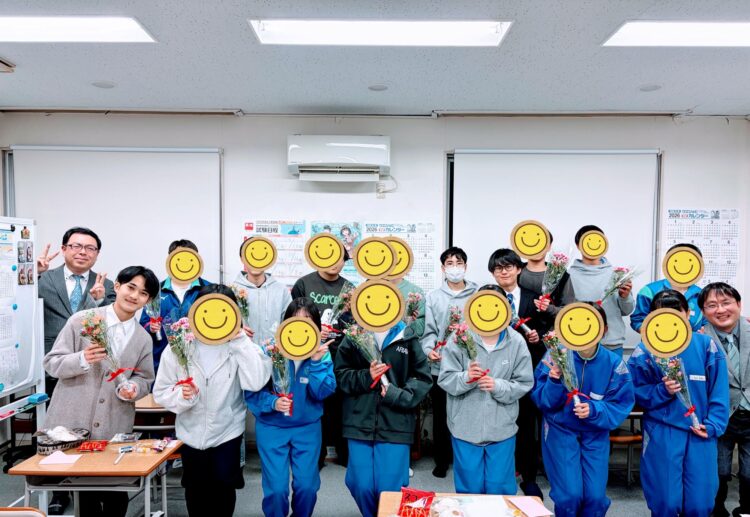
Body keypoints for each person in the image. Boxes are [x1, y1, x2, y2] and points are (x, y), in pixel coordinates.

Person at [43, 266, 159, 517]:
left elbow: (145, 378)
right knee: (85, 495)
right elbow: (52, 363)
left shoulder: (143, 338)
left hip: (114, 425)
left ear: (148, 300)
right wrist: (81, 359)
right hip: (74, 423)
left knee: (116, 492)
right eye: (130, 287)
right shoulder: (82, 320)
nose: (134, 296)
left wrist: (134, 388)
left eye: (143, 293)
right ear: (116, 286)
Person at [153, 284, 272, 517]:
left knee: (224, 489)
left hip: (227, 431)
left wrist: (240, 340)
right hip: (190, 432)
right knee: (195, 491)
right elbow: (161, 390)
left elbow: (256, 381)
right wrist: (182, 396)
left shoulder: (241, 346)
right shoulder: (179, 345)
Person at [628, 289, 729, 516]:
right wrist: (661, 391)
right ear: (651, 317)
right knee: (665, 500)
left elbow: (719, 391)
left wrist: (713, 425)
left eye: (676, 311)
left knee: (700, 503)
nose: (670, 317)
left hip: (700, 431)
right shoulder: (644, 350)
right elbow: (634, 391)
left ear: (688, 313)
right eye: (662, 313)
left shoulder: (706, 345)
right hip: (662, 430)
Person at [36, 226, 115, 514]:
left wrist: (99, 301)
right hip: (53, 363)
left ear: (97, 254)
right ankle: (59, 489)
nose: (83, 252)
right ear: (64, 249)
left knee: (85, 428)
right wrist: (32, 276)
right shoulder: (43, 278)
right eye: (76, 246)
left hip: (91, 367)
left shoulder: (107, 285)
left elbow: (112, 323)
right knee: (56, 430)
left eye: (90, 248)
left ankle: (88, 483)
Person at [532, 303, 634, 515]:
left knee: (595, 497)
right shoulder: (555, 356)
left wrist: (595, 410)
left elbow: (621, 403)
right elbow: (542, 401)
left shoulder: (614, 363)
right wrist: (554, 380)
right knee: (569, 495)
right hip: (561, 431)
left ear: (604, 329)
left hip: (595, 434)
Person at [335, 311, 432, 517]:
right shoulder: (354, 334)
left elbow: (422, 378)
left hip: (397, 424)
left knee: (389, 489)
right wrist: (367, 376)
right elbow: (341, 376)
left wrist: (396, 395)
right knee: (360, 485)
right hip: (358, 422)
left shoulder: (406, 335)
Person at [438, 284, 533, 495]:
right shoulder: (459, 337)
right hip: (464, 428)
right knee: (469, 491)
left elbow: (525, 382)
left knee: (500, 490)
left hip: (502, 430)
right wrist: (466, 377)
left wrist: (498, 385)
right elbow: (445, 379)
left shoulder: (516, 341)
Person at [245, 298, 336, 517]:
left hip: (307, 428)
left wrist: (316, 362)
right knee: (276, 490)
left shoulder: (321, 353)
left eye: (308, 319)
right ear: (286, 323)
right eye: (296, 318)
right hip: (272, 427)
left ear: (316, 326)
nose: (301, 324)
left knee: (307, 487)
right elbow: (251, 391)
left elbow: (323, 392)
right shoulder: (270, 349)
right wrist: (272, 402)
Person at [488, 248, 546, 497]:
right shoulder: (487, 297)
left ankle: (529, 476)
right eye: (498, 268)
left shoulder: (535, 298)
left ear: (519, 269)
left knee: (526, 423)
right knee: (499, 422)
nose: (504, 272)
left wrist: (538, 336)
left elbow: (548, 329)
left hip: (526, 370)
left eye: (508, 267)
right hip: (495, 371)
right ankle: (503, 471)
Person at [292, 246, 352, 467]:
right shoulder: (303, 284)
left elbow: (353, 324)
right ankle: (316, 457)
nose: (335, 262)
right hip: (310, 355)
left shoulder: (349, 288)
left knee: (340, 406)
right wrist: (314, 332)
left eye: (341, 258)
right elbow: (293, 317)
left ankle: (343, 454)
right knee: (314, 403)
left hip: (340, 354)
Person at [421, 246, 478, 478]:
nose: (455, 268)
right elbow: (429, 331)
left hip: (469, 366)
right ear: (443, 268)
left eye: (459, 263)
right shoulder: (433, 297)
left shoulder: (477, 294)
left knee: (469, 411)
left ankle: (467, 458)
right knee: (442, 414)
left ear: (466, 266)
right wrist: (429, 350)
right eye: (450, 263)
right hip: (442, 366)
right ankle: (441, 460)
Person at [700, 283, 750, 517]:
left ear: (738, 304)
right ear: (703, 311)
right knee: (717, 470)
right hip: (719, 416)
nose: (720, 310)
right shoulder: (699, 339)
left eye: (726, 303)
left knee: (749, 473)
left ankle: (747, 511)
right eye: (712, 305)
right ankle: (716, 510)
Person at [139, 239, 212, 373]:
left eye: (189, 258)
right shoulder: (156, 290)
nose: (184, 263)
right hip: (162, 361)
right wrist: (151, 327)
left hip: (200, 362)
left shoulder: (208, 289)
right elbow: (143, 324)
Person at [568, 224, 634, 358]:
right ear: (578, 245)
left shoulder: (617, 274)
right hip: (579, 343)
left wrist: (625, 297)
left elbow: (627, 311)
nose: (593, 244)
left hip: (611, 344)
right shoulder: (568, 275)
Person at [630, 243, 707, 332]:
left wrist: (702, 335)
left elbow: (707, 323)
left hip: (694, 340)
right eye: (677, 261)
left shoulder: (702, 294)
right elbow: (637, 320)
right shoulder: (649, 291)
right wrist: (653, 334)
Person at [232, 240, 292, 345]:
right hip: (241, 351)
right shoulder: (232, 290)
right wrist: (235, 329)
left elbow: (290, 324)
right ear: (242, 259)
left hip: (274, 352)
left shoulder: (281, 291)